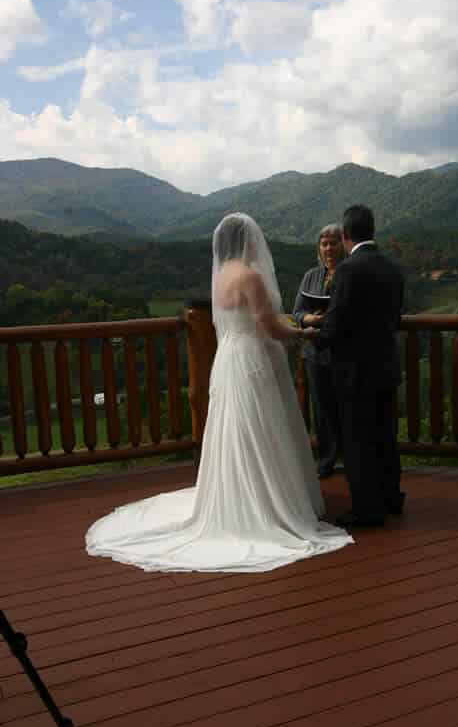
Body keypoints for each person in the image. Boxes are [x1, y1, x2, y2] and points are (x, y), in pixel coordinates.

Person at [86, 213, 353, 572]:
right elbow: (270, 327)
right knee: (261, 429)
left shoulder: (222, 275)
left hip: (228, 356)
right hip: (254, 357)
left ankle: (235, 494)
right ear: (248, 242)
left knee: (234, 429)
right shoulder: (251, 277)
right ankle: (265, 502)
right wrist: (300, 333)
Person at [315, 204, 405, 528]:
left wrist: (315, 336)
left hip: (354, 372)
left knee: (357, 442)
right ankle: (392, 497)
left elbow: (336, 325)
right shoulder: (393, 269)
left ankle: (367, 509)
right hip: (386, 366)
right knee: (385, 437)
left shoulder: (348, 271)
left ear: (346, 235)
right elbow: (394, 320)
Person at [293, 224, 345, 479]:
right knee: (321, 410)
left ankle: (349, 459)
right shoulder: (310, 276)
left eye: (333, 243)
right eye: (324, 244)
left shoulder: (349, 273)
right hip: (314, 353)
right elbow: (297, 311)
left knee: (346, 406)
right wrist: (310, 319)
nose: (328, 248)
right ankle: (325, 461)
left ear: (342, 245)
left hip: (343, 352)